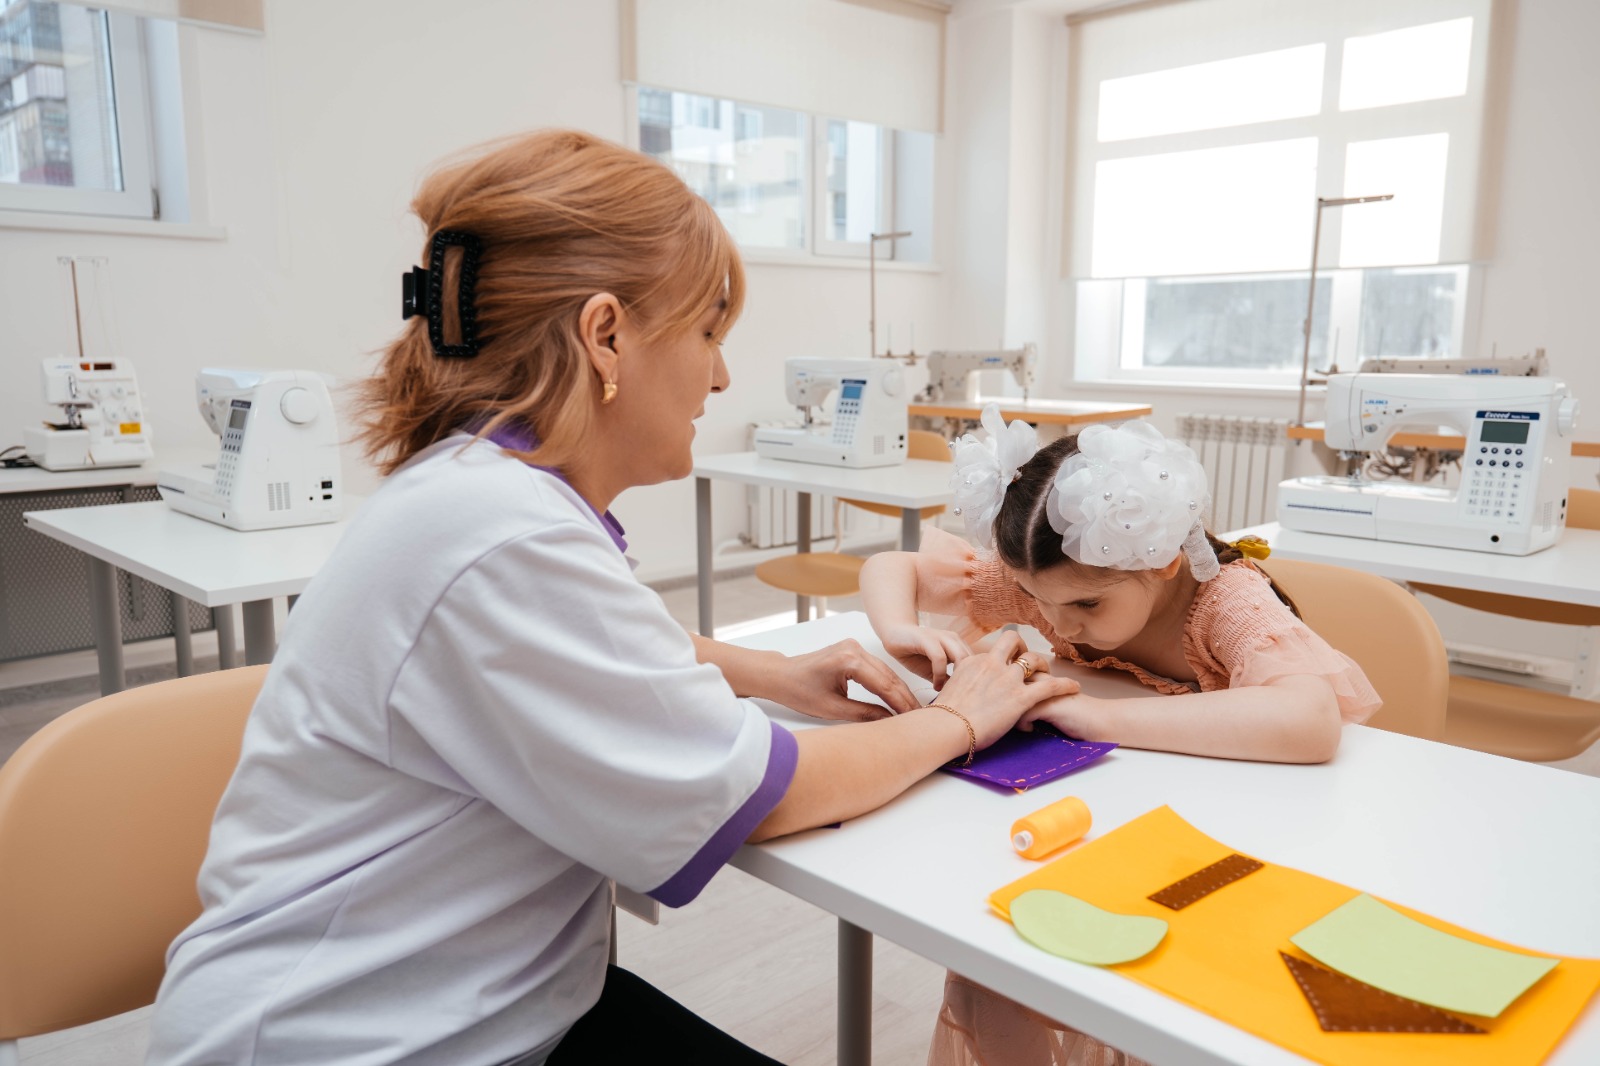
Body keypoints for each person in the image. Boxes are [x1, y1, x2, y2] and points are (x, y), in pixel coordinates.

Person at [142, 132, 1077, 1066]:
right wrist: (957, 720)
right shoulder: (504, 535)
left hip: (472, 1006)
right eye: (708, 334)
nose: (720, 376)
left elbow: (586, 654)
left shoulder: (481, 496)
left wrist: (770, 671)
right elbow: (766, 793)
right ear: (605, 336)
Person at [859, 403, 1382, 1066]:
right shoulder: (1057, 584)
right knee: (996, 955)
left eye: (1086, 605)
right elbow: (893, 566)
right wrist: (898, 629)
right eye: (1035, 599)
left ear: (1162, 562)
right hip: (1111, 821)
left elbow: (1309, 722)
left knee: (1149, 994)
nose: (1058, 624)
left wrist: (1100, 718)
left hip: (1225, 843)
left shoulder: (1225, 600)